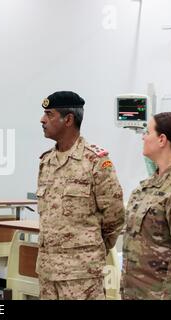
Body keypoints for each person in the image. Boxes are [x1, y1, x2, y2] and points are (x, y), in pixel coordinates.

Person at [35, 91, 125, 300]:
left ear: (68, 119)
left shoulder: (96, 161)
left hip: (80, 275)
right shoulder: (46, 161)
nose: (42, 119)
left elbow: (115, 216)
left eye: (49, 114)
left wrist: (89, 249)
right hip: (48, 272)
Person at [122, 112, 171, 300]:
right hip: (136, 293)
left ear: (162, 140)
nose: (143, 137)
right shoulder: (150, 184)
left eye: (147, 132)